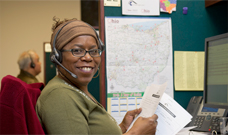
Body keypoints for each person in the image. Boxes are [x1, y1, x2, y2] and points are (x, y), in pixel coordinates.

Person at [35, 17, 158, 135]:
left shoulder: (75, 89)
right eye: (77, 51)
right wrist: (135, 133)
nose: (88, 57)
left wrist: (123, 128)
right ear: (57, 57)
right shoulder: (60, 95)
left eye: (94, 51)